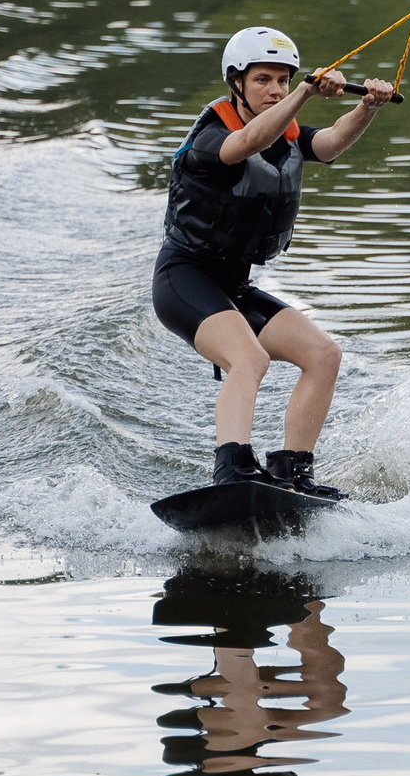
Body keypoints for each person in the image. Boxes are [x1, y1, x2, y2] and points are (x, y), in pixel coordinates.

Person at [153, 26, 395, 495]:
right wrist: (305, 91)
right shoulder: (209, 137)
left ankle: (293, 469)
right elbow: (244, 145)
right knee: (249, 358)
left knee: (324, 355)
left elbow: (327, 145)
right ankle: (232, 469)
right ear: (236, 82)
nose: (276, 89)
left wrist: (367, 106)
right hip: (184, 279)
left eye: (283, 80)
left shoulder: (285, 132)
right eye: (263, 79)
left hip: (233, 285)